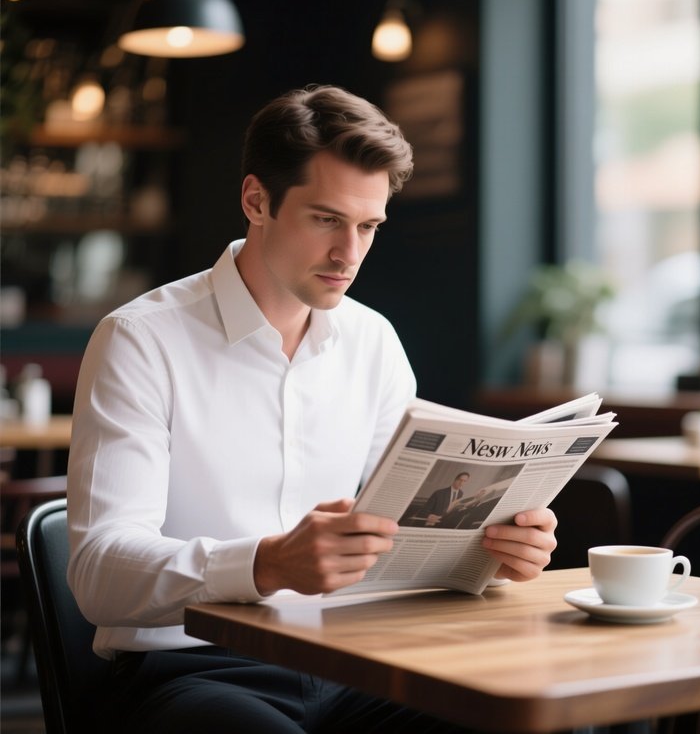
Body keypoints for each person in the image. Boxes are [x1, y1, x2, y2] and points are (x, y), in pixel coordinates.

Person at [66, 84, 558, 734]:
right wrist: (266, 563)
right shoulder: (141, 339)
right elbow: (98, 571)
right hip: (194, 671)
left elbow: (413, 530)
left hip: (352, 656)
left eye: (369, 226)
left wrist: (496, 549)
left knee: (527, 716)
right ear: (256, 200)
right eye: (327, 219)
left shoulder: (372, 340)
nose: (348, 254)